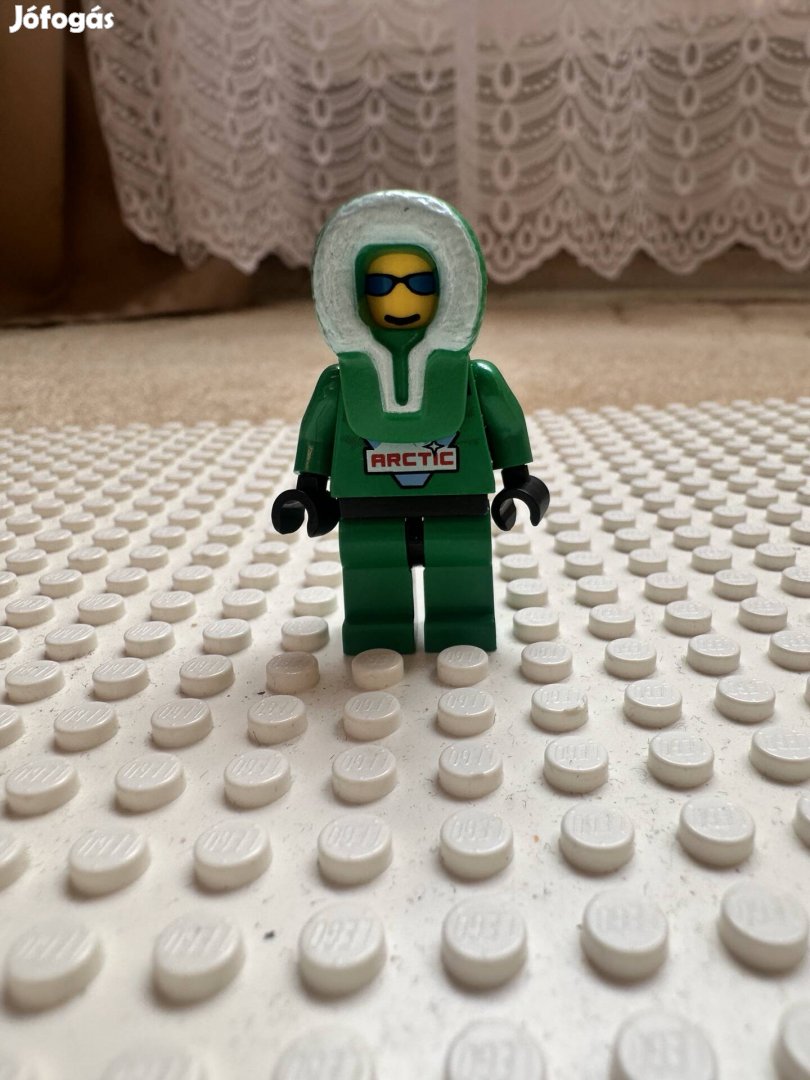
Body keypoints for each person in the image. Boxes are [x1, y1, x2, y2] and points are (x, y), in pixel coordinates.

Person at [272, 190, 549, 654]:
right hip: (367, 503)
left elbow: (504, 422)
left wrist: (519, 480)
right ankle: (378, 626)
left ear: (445, 289)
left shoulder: (472, 377)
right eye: (382, 286)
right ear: (358, 295)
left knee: (462, 563)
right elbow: (319, 429)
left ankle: (463, 622)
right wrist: (310, 488)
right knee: (371, 565)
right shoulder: (343, 380)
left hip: (457, 500)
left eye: (418, 283)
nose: (399, 298)